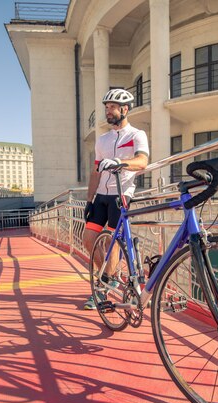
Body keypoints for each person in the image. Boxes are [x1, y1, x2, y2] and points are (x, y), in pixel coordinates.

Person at [82, 88, 149, 310]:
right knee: (89, 238)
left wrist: (120, 164)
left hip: (122, 194)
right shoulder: (102, 140)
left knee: (112, 241)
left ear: (124, 109)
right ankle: (106, 277)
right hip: (101, 194)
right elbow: (96, 172)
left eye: (112, 108)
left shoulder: (136, 135)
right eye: (106, 108)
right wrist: (89, 200)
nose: (108, 112)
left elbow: (142, 162)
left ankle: (102, 289)